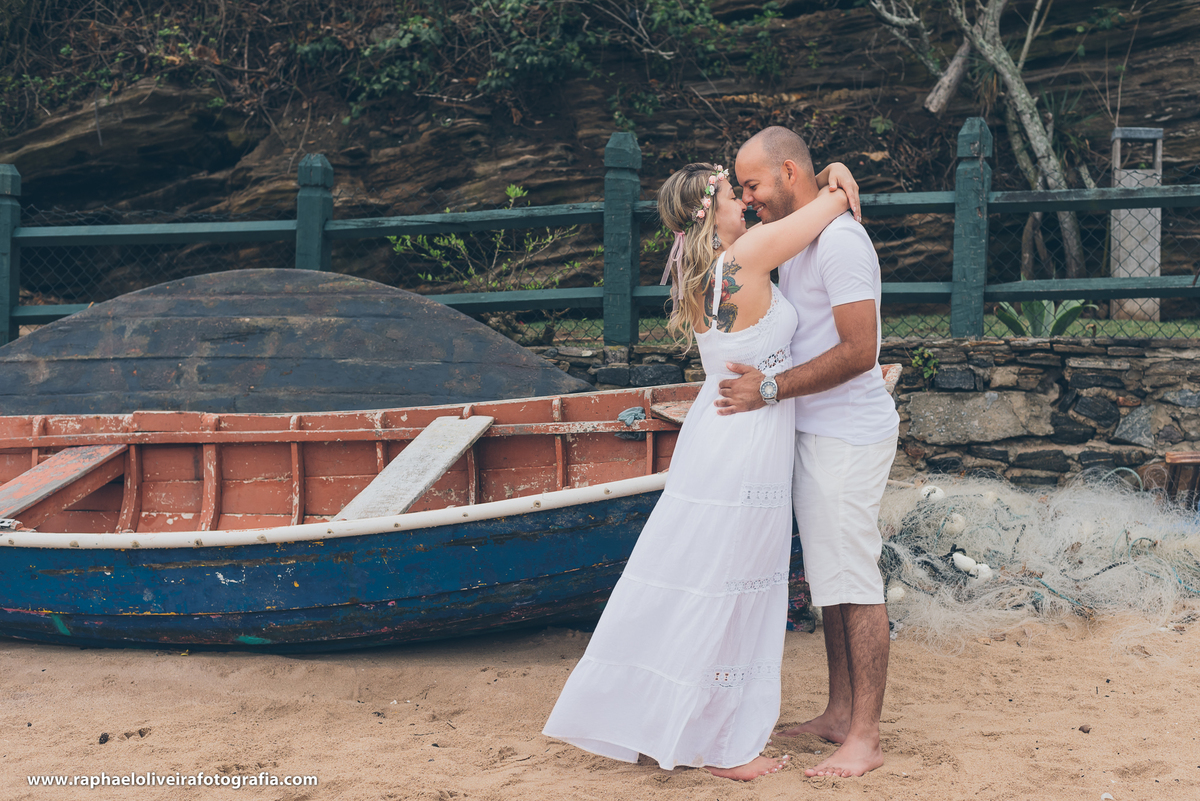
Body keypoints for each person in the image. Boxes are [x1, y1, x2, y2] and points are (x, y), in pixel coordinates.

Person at [542, 158, 853, 781]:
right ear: (711, 210)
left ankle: (697, 724)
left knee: (714, 577)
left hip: (726, 437)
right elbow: (834, 203)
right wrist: (837, 175)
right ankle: (725, 746)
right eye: (734, 194)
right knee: (732, 584)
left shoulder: (706, 268)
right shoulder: (748, 255)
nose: (746, 200)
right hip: (742, 445)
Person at [716, 126, 900, 779]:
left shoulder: (841, 241)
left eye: (753, 185)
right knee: (829, 582)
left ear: (789, 172)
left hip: (848, 433)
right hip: (813, 432)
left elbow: (859, 351)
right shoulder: (798, 235)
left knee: (855, 576)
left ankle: (867, 736)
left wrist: (769, 389)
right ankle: (839, 710)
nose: (747, 198)